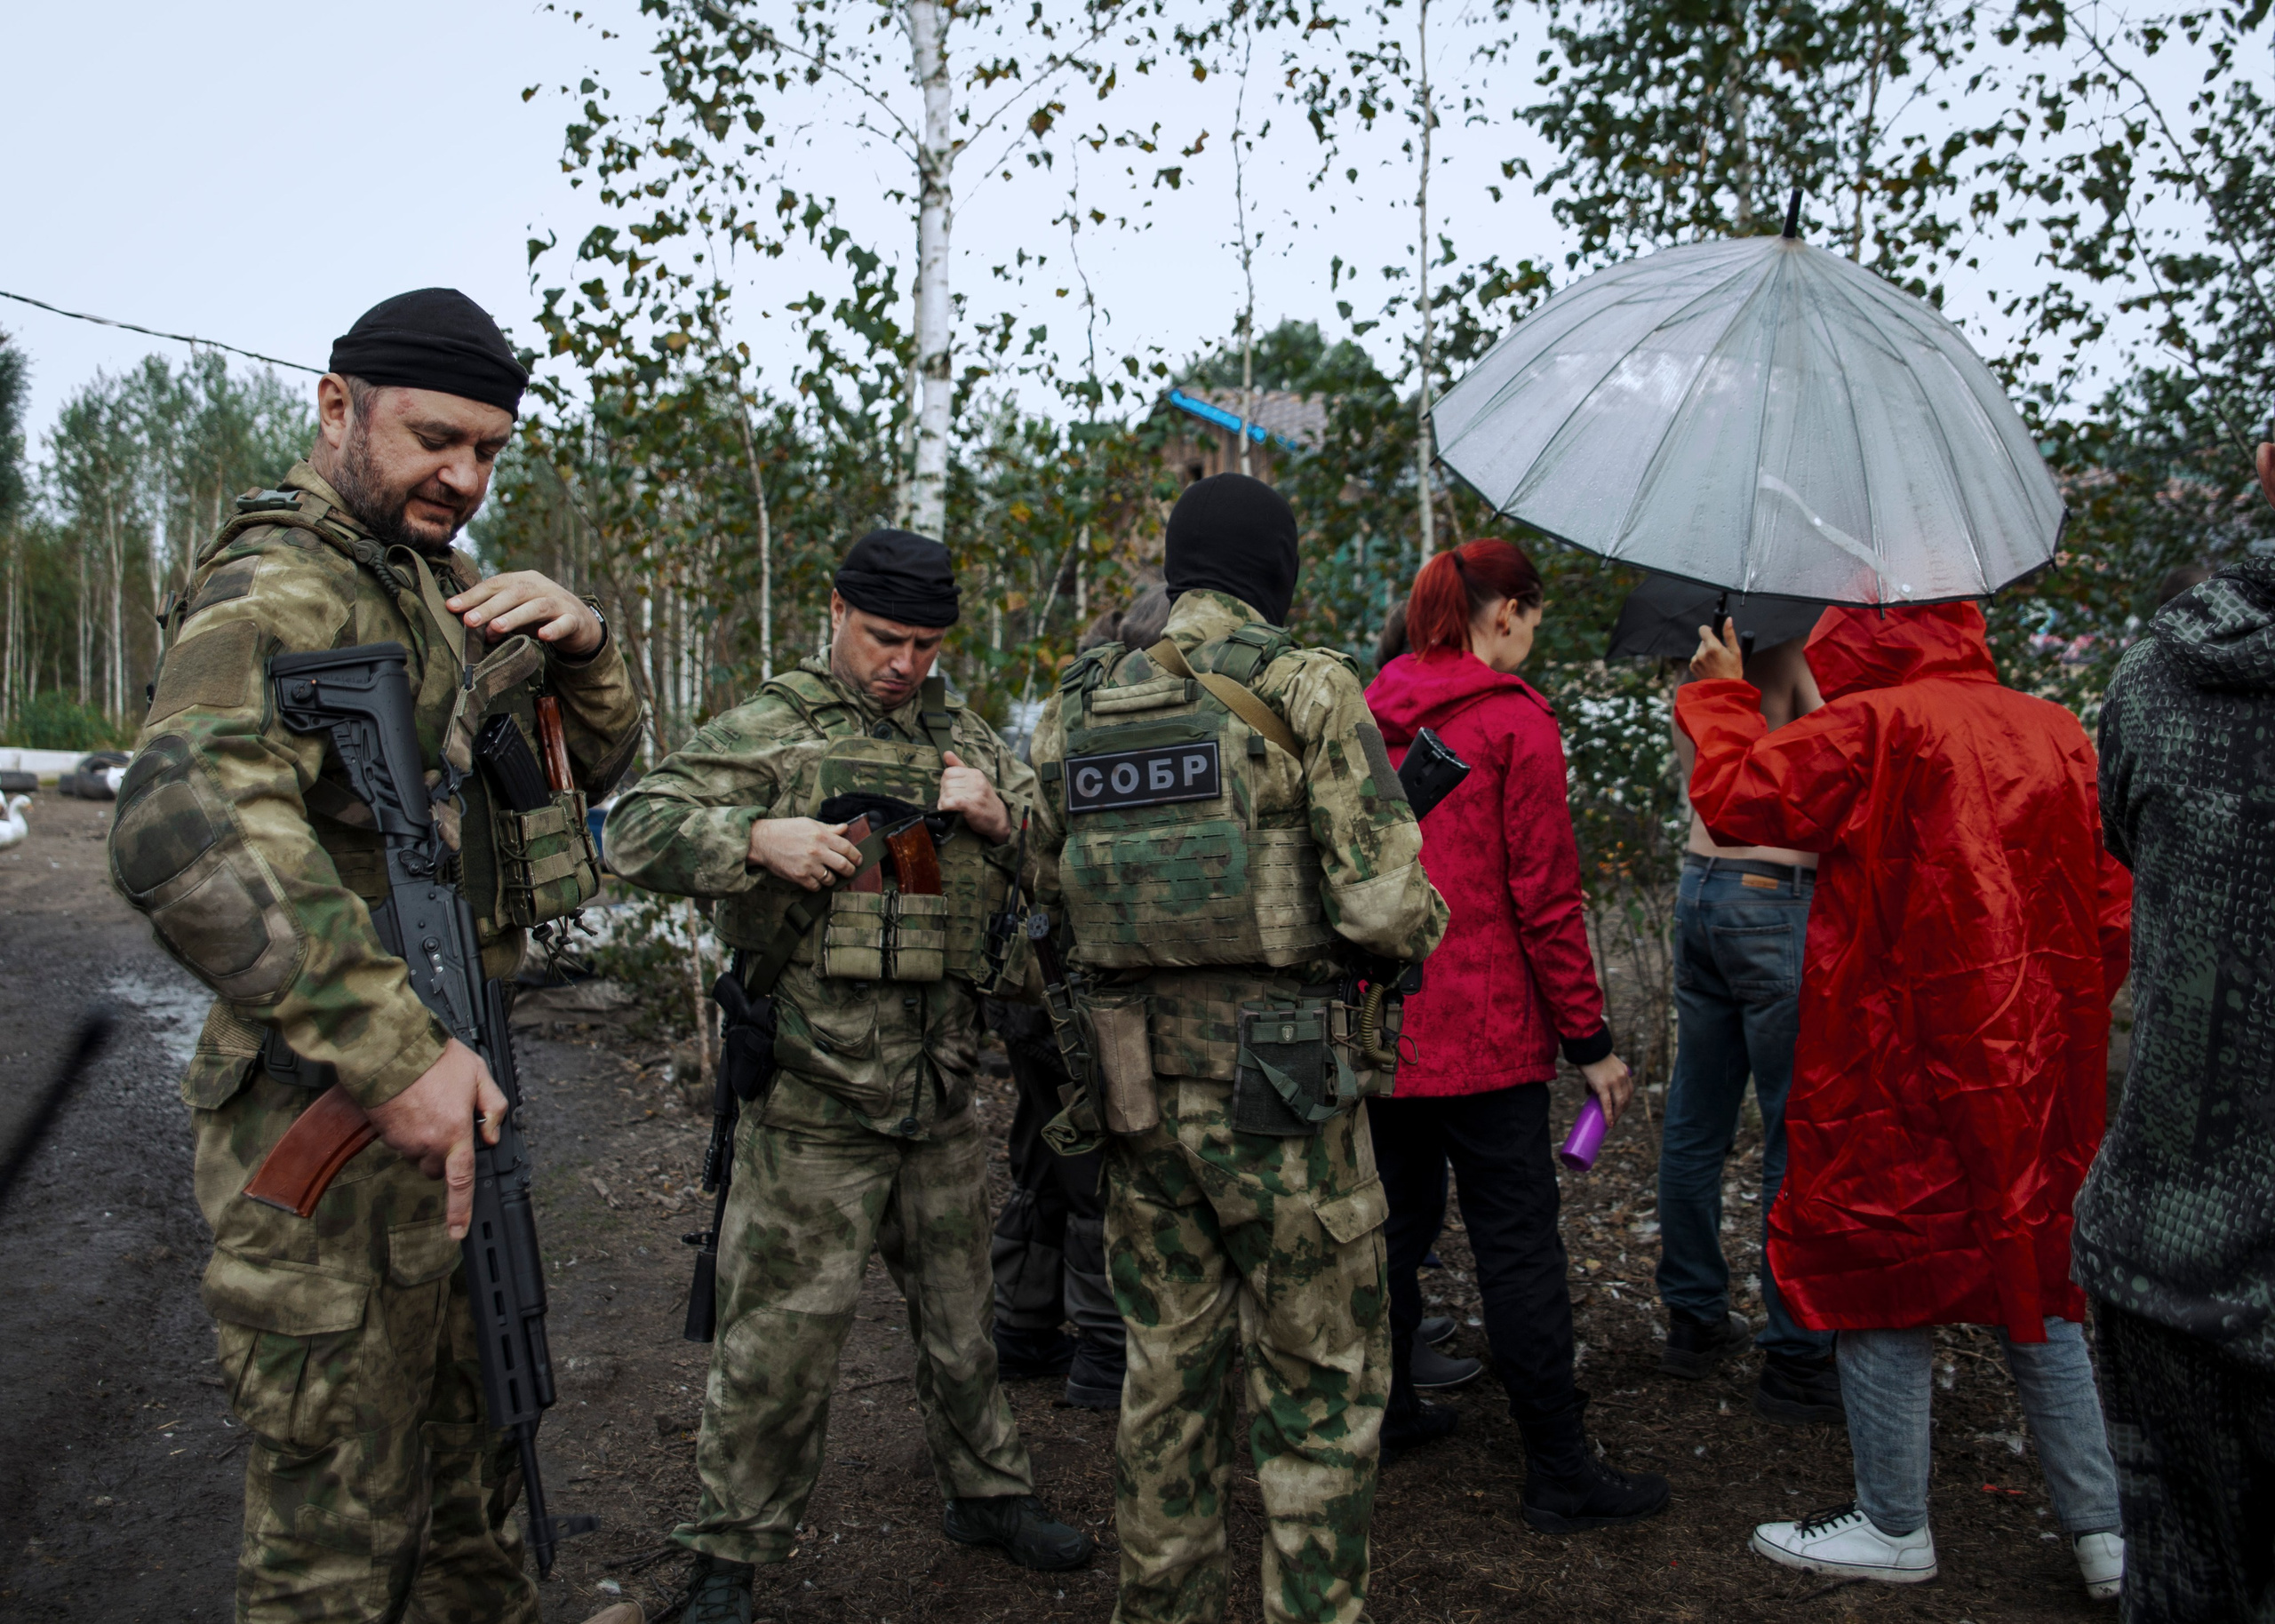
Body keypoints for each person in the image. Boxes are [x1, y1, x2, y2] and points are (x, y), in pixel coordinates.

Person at [106, 290, 645, 1623]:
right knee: (338, 1531)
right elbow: (181, 822)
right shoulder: (281, 583)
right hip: (334, 1114)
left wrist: (583, 647)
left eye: (489, 452)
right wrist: (395, 1054)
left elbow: (592, 770)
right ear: (337, 406)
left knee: (476, 1466)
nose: (463, 477)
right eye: (434, 438)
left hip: (458, 1088)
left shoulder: (432, 584)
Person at [606, 529, 1093, 1624]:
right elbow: (632, 829)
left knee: (963, 1325)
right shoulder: (774, 726)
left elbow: (1063, 868)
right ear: (836, 611)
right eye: (884, 638)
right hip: (813, 1104)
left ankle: (989, 1495)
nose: (904, 664)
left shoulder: (965, 738)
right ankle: (727, 1557)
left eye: (925, 644)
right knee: (777, 1345)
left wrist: (1000, 817)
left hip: (939, 1097)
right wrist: (755, 838)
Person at [1026, 472, 1448, 1624]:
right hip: (1284, 1096)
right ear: (1278, 572)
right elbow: (1384, 912)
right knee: (1319, 1389)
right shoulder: (1308, 686)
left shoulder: (1080, 703)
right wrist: (1414, 912)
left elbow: (1040, 879)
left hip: (1137, 1094)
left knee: (1164, 1380)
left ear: (1177, 570)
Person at [1676, 604, 2132, 1598]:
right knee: (2034, 1265)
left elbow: (1738, 798)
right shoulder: (2056, 730)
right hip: (2026, 1053)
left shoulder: (1877, 725)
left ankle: (1893, 1524)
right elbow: (2110, 903)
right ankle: (2104, 1535)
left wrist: (1719, 693)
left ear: (1864, 629)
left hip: (1891, 1051)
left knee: (1881, 1254)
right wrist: (2055, 1013)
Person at [1364, 538, 1670, 1531]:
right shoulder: (1513, 722)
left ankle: (1386, 1411)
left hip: (1385, 1025)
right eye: (1534, 615)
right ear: (1505, 613)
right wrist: (1591, 1041)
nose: (1534, 632)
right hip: (1486, 1036)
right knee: (1517, 1247)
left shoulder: (1365, 711)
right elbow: (1545, 899)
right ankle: (1558, 1468)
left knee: (1389, 1232)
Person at [2077, 445, 2275, 1620]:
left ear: (2266, 466)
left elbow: (2130, 844)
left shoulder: (2158, 679)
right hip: (2172, 1248)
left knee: (2188, 1579)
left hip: (2170, 1238)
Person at [986, 586, 1177, 1411]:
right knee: (1099, 1167)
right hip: (1073, 989)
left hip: (1032, 981)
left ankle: (1022, 1324)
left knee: (1043, 1153)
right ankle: (1102, 1348)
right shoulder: (1131, 728)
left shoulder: (1069, 714)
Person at [1658, 633, 1843, 1424]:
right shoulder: (1791, 656)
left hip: (1699, 884)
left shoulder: (1692, 666)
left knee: (1695, 1120)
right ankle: (1797, 1351)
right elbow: (1837, 765)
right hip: (1774, 893)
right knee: (1791, 1130)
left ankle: (1693, 1317)